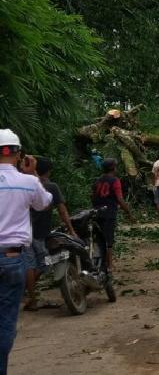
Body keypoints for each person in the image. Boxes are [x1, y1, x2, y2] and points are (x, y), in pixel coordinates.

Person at [0, 129, 52, 374]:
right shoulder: (27, 182)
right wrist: (32, 174)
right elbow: (44, 203)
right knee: (5, 321)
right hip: (12, 258)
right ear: (18, 153)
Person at [23, 157, 77, 312]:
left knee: (30, 265)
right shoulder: (51, 187)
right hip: (40, 233)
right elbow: (62, 210)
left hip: (24, 231)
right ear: (48, 171)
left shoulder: (25, 185)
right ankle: (28, 293)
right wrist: (72, 230)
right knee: (44, 263)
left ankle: (30, 297)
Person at [92, 159, 134, 270]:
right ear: (113, 168)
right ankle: (109, 264)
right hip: (109, 212)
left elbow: (93, 196)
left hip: (96, 212)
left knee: (99, 238)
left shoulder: (97, 180)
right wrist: (128, 213)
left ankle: (101, 262)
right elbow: (120, 199)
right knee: (108, 239)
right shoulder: (115, 181)